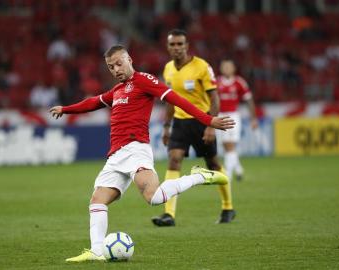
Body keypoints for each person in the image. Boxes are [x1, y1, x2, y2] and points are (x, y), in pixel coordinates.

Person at [49, 45, 235, 262]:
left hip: (136, 149)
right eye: (111, 67)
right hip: (116, 156)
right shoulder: (117, 90)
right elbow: (94, 102)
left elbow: (176, 99)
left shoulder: (144, 80)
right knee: (97, 201)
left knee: (154, 198)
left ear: (129, 59)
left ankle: (199, 176)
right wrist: (66, 109)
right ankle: (97, 251)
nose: (116, 69)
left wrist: (208, 119)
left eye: (119, 63)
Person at [151, 29, 236, 226]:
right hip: (180, 123)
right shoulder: (168, 69)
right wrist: (166, 126)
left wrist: (210, 125)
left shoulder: (202, 66)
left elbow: (214, 97)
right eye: (173, 44)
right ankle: (169, 214)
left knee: (213, 164)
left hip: (202, 120)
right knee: (174, 160)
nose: (177, 48)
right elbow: (170, 102)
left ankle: (228, 207)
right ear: (168, 47)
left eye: (180, 44)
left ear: (187, 46)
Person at [216, 59, 258, 180]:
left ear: (234, 69)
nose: (227, 69)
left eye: (229, 67)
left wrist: (253, 119)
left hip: (233, 116)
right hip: (220, 116)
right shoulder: (216, 82)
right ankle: (238, 169)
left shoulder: (239, 82)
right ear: (221, 69)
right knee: (225, 145)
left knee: (230, 144)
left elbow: (249, 100)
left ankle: (227, 174)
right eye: (224, 67)